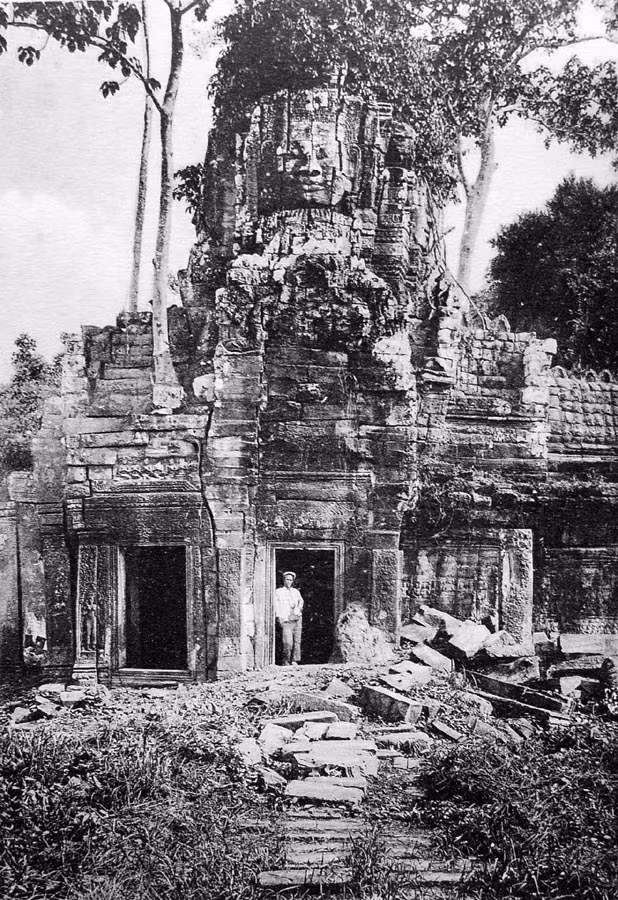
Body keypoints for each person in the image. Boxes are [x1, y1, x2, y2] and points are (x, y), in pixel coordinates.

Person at [275, 571, 304, 665]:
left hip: (296, 618)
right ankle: (286, 660)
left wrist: (299, 609)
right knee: (288, 642)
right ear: (284, 580)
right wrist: (278, 616)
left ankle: (294, 660)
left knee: (297, 640)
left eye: (291, 580)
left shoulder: (296, 591)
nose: (289, 582)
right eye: (287, 579)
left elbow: (301, 601)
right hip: (286, 619)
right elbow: (276, 605)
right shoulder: (278, 591)